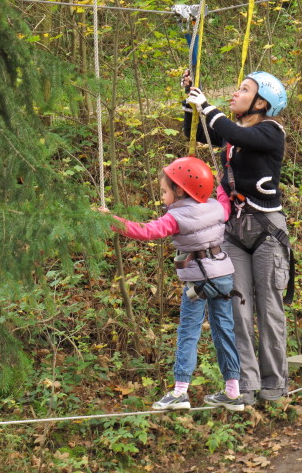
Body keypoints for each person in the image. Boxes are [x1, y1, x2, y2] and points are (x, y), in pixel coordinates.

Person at [182, 70, 293, 404]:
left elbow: (233, 132)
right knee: (237, 310)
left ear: (261, 103)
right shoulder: (233, 135)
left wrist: (208, 107)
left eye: (243, 90)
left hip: (266, 231)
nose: (235, 94)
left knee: (270, 309)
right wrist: (190, 101)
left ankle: (274, 385)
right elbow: (199, 133)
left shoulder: (270, 132)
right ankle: (244, 386)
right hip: (235, 231)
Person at [102, 156, 244, 412]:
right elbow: (224, 199)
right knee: (224, 330)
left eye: (164, 191)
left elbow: (145, 231)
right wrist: (223, 183)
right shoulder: (215, 208)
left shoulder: (176, 217)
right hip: (223, 277)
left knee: (188, 332)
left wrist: (110, 220)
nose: (163, 197)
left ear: (180, 191)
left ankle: (180, 392)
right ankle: (233, 390)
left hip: (197, 282)